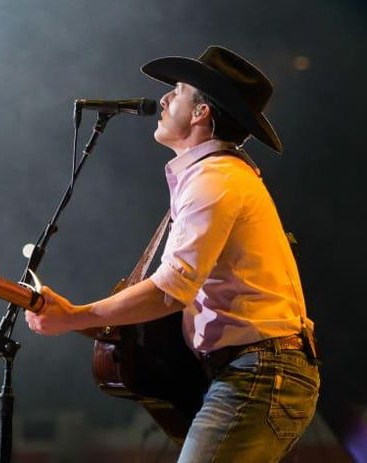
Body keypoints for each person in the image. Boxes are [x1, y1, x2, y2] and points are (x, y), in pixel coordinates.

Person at [25, 45, 320, 462]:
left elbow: (168, 292)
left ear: (201, 113)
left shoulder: (214, 179)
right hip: (256, 372)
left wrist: (76, 315)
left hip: (259, 374)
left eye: (177, 91)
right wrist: (77, 316)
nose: (163, 99)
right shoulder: (215, 176)